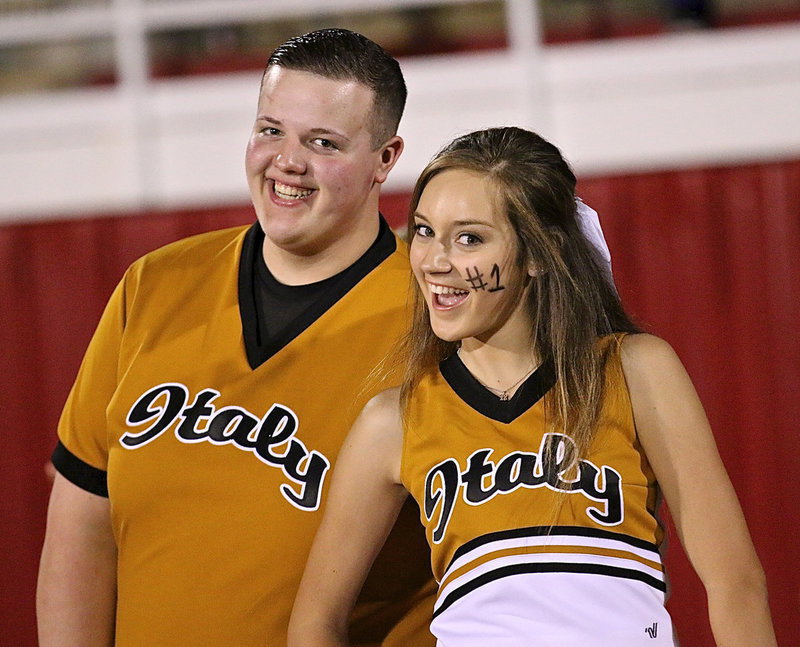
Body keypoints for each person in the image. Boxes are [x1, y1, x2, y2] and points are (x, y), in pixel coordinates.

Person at [287, 127, 777, 646]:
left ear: (539, 253)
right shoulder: (396, 420)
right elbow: (315, 622)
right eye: (425, 231)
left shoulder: (633, 371)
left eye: (469, 238)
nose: (433, 260)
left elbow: (734, 583)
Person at [37, 28, 436, 647]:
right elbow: (82, 518)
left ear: (386, 159)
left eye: (322, 143)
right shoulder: (155, 285)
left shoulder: (437, 320)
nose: (287, 162)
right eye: (270, 130)